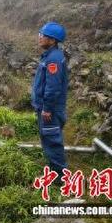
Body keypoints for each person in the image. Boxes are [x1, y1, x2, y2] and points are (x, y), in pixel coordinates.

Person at [31, 21, 68, 179]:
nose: (39, 37)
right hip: (48, 108)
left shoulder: (53, 60)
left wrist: (47, 108)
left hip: (50, 110)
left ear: (52, 40)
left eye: (43, 35)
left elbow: (53, 88)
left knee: (52, 142)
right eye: (39, 34)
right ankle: (54, 172)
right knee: (49, 140)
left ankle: (60, 178)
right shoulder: (50, 56)